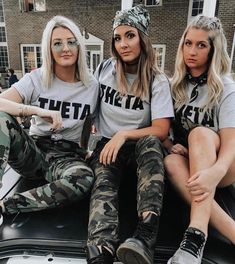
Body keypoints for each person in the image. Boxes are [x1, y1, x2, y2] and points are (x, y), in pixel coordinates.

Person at [85, 5, 174, 264]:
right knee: (103, 183)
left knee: (150, 143)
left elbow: (160, 129)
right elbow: (88, 112)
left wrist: (123, 134)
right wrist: (83, 150)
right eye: (117, 37)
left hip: (136, 145)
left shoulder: (157, 81)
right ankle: (102, 248)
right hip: (107, 145)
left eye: (130, 35)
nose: (123, 44)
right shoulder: (104, 69)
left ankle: (145, 237)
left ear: (143, 38)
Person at [0, 16, 98, 222]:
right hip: (33, 152)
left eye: (71, 41)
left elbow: (93, 122)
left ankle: (6, 206)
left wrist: (86, 149)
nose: (65, 48)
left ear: (79, 46)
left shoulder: (92, 86)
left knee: (84, 178)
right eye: (57, 43)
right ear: (48, 48)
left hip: (66, 157)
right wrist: (36, 110)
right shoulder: (37, 78)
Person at [164, 15, 235, 264]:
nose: (191, 51)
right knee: (171, 162)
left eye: (201, 45)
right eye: (188, 43)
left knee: (201, 133)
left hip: (226, 163)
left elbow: (231, 143)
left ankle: (195, 238)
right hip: (195, 165)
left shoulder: (226, 88)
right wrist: (175, 146)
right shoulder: (175, 86)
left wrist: (216, 171)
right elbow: (164, 132)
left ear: (213, 50)